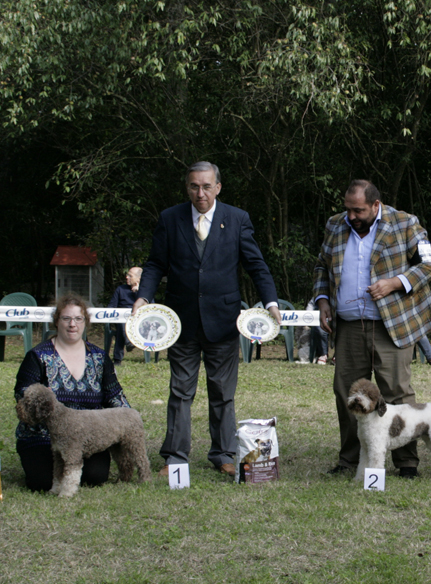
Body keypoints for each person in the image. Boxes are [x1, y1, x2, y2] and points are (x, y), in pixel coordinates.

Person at [134, 161, 280, 478]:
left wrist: (270, 302)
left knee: (223, 393)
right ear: (187, 187)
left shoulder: (237, 219)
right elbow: (155, 264)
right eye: (194, 186)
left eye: (206, 186)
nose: (200, 193)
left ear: (218, 187)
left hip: (224, 321)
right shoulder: (170, 218)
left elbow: (256, 265)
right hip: (180, 322)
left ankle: (224, 454)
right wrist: (144, 297)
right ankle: (175, 457)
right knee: (180, 392)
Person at [314, 179, 431, 479]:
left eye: (358, 210)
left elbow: (430, 265)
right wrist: (322, 300)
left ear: (375, 205)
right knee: (346, 392)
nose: (351, 216)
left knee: (397, 391)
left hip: (392, 324)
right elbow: (321, 266)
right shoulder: (335, 224)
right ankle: (349, 460)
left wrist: (395, 283)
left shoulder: (405, 223)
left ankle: (406, 463)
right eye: (348, 209)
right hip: (349, 325)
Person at [14, 293, 131, 492]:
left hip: (88, 434)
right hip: (43, 434)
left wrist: (128, 420)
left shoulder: (99, 357)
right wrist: (38, 395)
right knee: (43, 482)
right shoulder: (37, 356)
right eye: (66, 318)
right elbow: (22, 393)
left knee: (95, 477)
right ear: (56, 321)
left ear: (85, 322)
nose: (72, 324)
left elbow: (114, 395)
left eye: (78, 318)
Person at [107, 267, 142, 365]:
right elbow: (111, 306)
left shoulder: (145, 291)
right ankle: (129, 342)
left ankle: (117, 359)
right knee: (122, 321)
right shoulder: (121, 289)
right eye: (127, 275)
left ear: (138, 278)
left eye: (130, 276)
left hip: (139, 321)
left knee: (122, 326)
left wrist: (138, 293)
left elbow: (150, 307)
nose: (127, 277)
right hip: (121, 319)